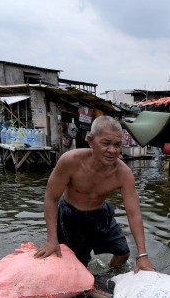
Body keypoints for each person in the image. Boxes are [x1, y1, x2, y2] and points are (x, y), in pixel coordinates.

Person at [34, 115, 153, 273]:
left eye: (117, 145)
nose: (112, 150)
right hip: (71, 216)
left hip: (99, 213)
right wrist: (51, 239)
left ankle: (108, 276)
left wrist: (142, 254)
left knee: (123, 252)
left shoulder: (123, 173)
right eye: (105, 143)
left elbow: (134, 214)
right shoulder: (70, 161)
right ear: (90, 140)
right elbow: (51, 198)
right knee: (78, 263)